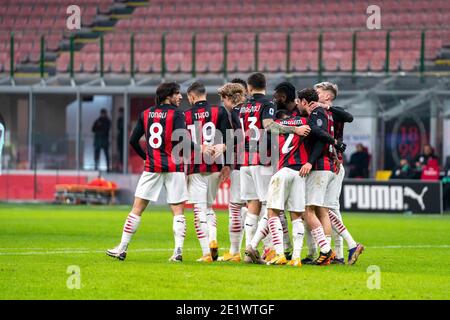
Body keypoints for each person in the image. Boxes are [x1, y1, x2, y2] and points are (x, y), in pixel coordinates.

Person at [106, 82, 210, 262]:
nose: (180, 97)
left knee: (137, 209)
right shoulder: (177, 114)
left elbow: (133, 140)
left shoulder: (145, 114)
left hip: (152, 167)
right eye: (177, 94)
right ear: (167, 96)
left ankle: (122, 248)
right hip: (174, 167)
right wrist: (201, 148)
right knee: (178, 211)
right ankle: (177, 251)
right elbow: (183, 140)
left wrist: (145, 156)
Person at [302, 81, 363, 265]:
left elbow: (349, 117)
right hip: (328, 162)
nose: (315, 94)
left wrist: (325, 106)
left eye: (318, 92)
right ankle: (328, 252)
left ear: (327, 96)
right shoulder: (317, 112)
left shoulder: (332, 111)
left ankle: (340, 251)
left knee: (327, 208)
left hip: (332, 164)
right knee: (323, 209)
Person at [184, 81, 232, 263]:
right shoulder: (219, 112)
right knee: (210, 208)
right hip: (216, 166)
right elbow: (229, 136)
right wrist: (227, 164)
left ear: (192, 96)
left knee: (199, 210)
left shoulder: (186, 115)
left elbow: (182, 142)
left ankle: (206, 252)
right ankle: (213, 236)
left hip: (195, 168)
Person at [216, 82, 248, 262]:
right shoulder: (255, 108)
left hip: (242, 164)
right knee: (259, 206)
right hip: (262, 162)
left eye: (223, 99)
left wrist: (225, 146)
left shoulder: (235, 113)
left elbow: (239, 137)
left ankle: (235, 251)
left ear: (229, 98)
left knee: (236, 207)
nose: (222, 103)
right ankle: (270, 250)